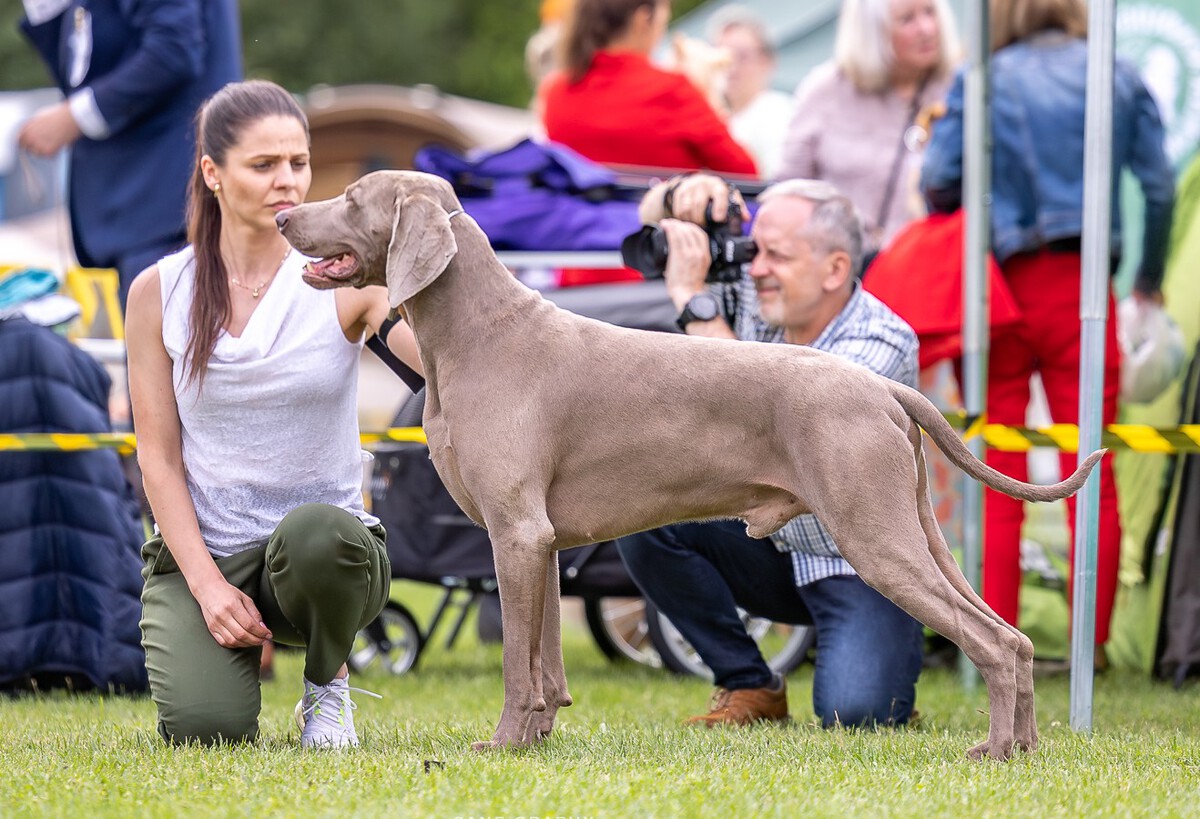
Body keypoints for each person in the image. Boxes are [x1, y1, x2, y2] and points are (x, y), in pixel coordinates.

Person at [125, 79, 423, 748]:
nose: (287, 180)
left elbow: (443, 360)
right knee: (208, 731)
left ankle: (328, 685)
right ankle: (218, 650)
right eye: (263, 165)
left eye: (298, 161)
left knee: (322, 534)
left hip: (325, 555)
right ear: (213, 173)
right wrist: (206, 587)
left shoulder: (344, 280)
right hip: (208, 554)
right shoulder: (158, 292)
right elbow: (158, 459)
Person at [616, 173, 925, 727]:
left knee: (857, 716)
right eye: (755, 251)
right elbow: (642, 229)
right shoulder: (760, 299)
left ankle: (887, 672)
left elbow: (764, 426)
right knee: (638, 505)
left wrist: (694, 303)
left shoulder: (883, 341)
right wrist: (680, 195)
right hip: (767, 539)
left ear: (835, 269)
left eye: (776, 256)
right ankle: (749, 685)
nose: (757, 269)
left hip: (861, 562)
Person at [920, 0, 1176, 664]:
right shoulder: (1116, 73)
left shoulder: (980, 78)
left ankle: (998, 642)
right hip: (1085, 288)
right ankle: (1089, 645)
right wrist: (1146, 279)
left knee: (996, 465)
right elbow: (1158, 187)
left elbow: (941, 182)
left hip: (999, 290)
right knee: (1092, 464)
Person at [18, 0, 242, 308]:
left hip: (170, 209)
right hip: (149, 215)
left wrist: (75, 117)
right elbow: (82, 71)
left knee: (178, 351)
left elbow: (174, 49)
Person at [538, 0, 757, 286]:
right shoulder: (673, 90)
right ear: (644, 17)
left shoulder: (556, 92)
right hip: (663, 274)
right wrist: (708, 95)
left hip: (581, 272)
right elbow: (746, 173)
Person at [776, 0, 960, 254]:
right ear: (871, 31)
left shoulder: (959, 90)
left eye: (930, 12)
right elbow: (787, 191)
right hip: (844, 270)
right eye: (907, 19)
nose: (927, 28)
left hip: (930, 265)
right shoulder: (827, 90)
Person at [706, 5, 794, 181]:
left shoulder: (776, 112)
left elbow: (778, 183)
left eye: (742, 56)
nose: (731, 68)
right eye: (722, 57)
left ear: (767, 60)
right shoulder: (718, 116)